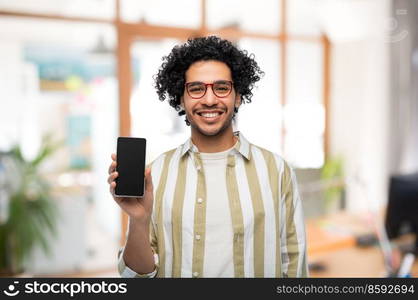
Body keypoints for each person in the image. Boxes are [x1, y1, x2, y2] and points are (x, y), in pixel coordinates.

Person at [107, 36, 308, 278]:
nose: (210, 100)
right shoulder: (156, 173)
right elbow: (137, 277)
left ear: (239, 96)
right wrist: (138, 220)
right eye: (196, 88)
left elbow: (294, 264)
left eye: (222, 88)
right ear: (181, 98)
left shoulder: (276, 170)